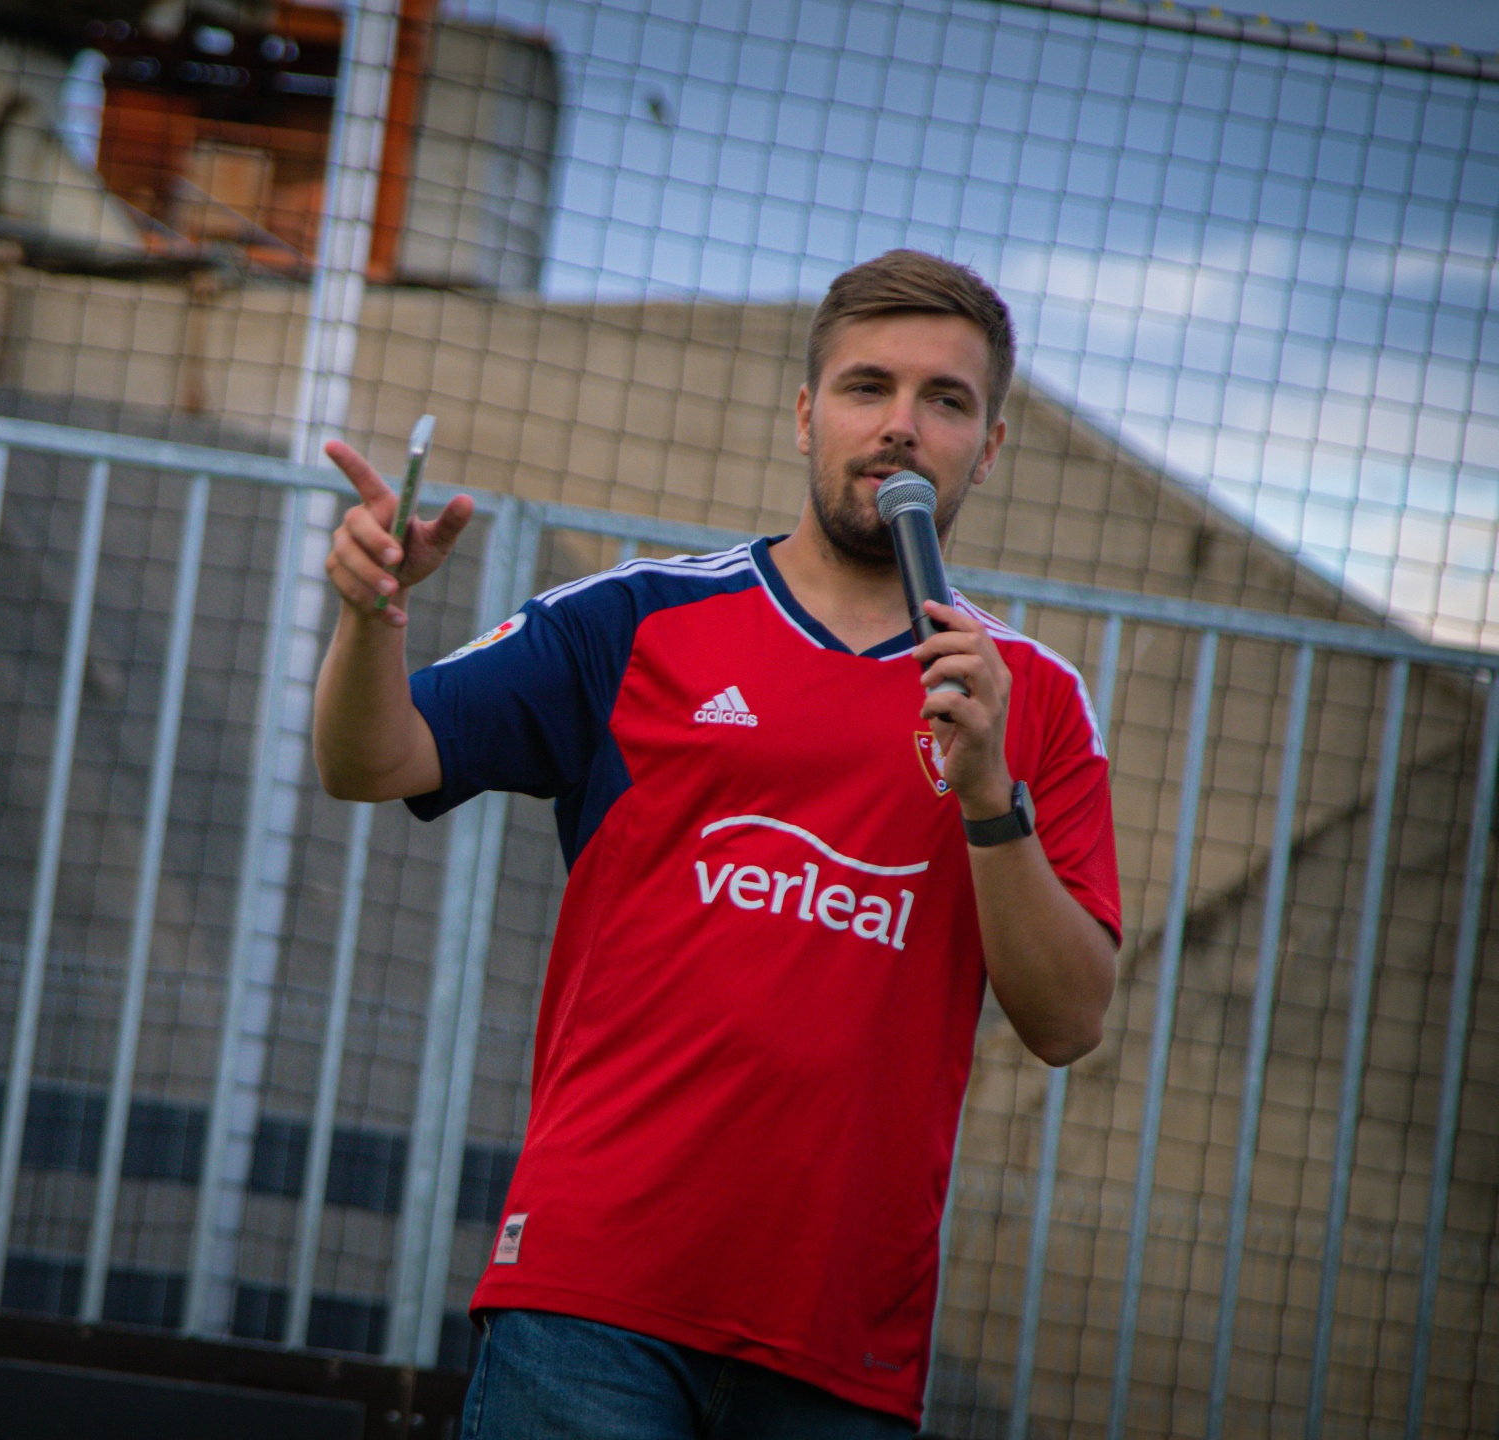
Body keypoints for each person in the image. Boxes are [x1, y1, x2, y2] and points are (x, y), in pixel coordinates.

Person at [311, 250, 1120, 1438]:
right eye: (867, 387)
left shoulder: (1031, 700)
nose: (901, 425)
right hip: (594, 1299)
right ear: (805, 415)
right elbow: (370, 762)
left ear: (987, 447)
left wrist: (991, 796)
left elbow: (1069, 1021)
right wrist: (368, 621)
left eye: (945, 400)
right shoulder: (632, 619)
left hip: (842, 1340)